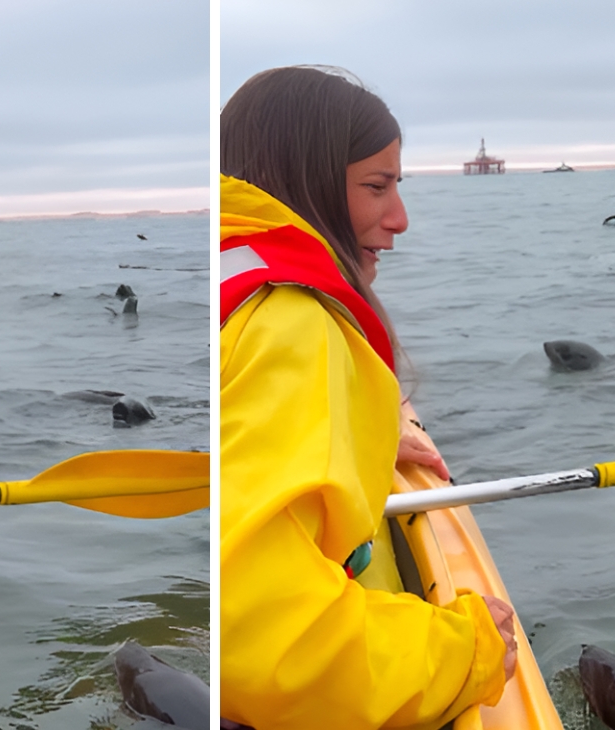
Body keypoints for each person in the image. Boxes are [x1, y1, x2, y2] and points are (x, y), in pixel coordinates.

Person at [220, 66, 518, 729]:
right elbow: (266, 640)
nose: (400, 219)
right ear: (307, 181)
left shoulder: (230, 273)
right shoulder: (293, 326)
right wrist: (464, 650)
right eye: (376, 188)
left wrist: (366, 431)